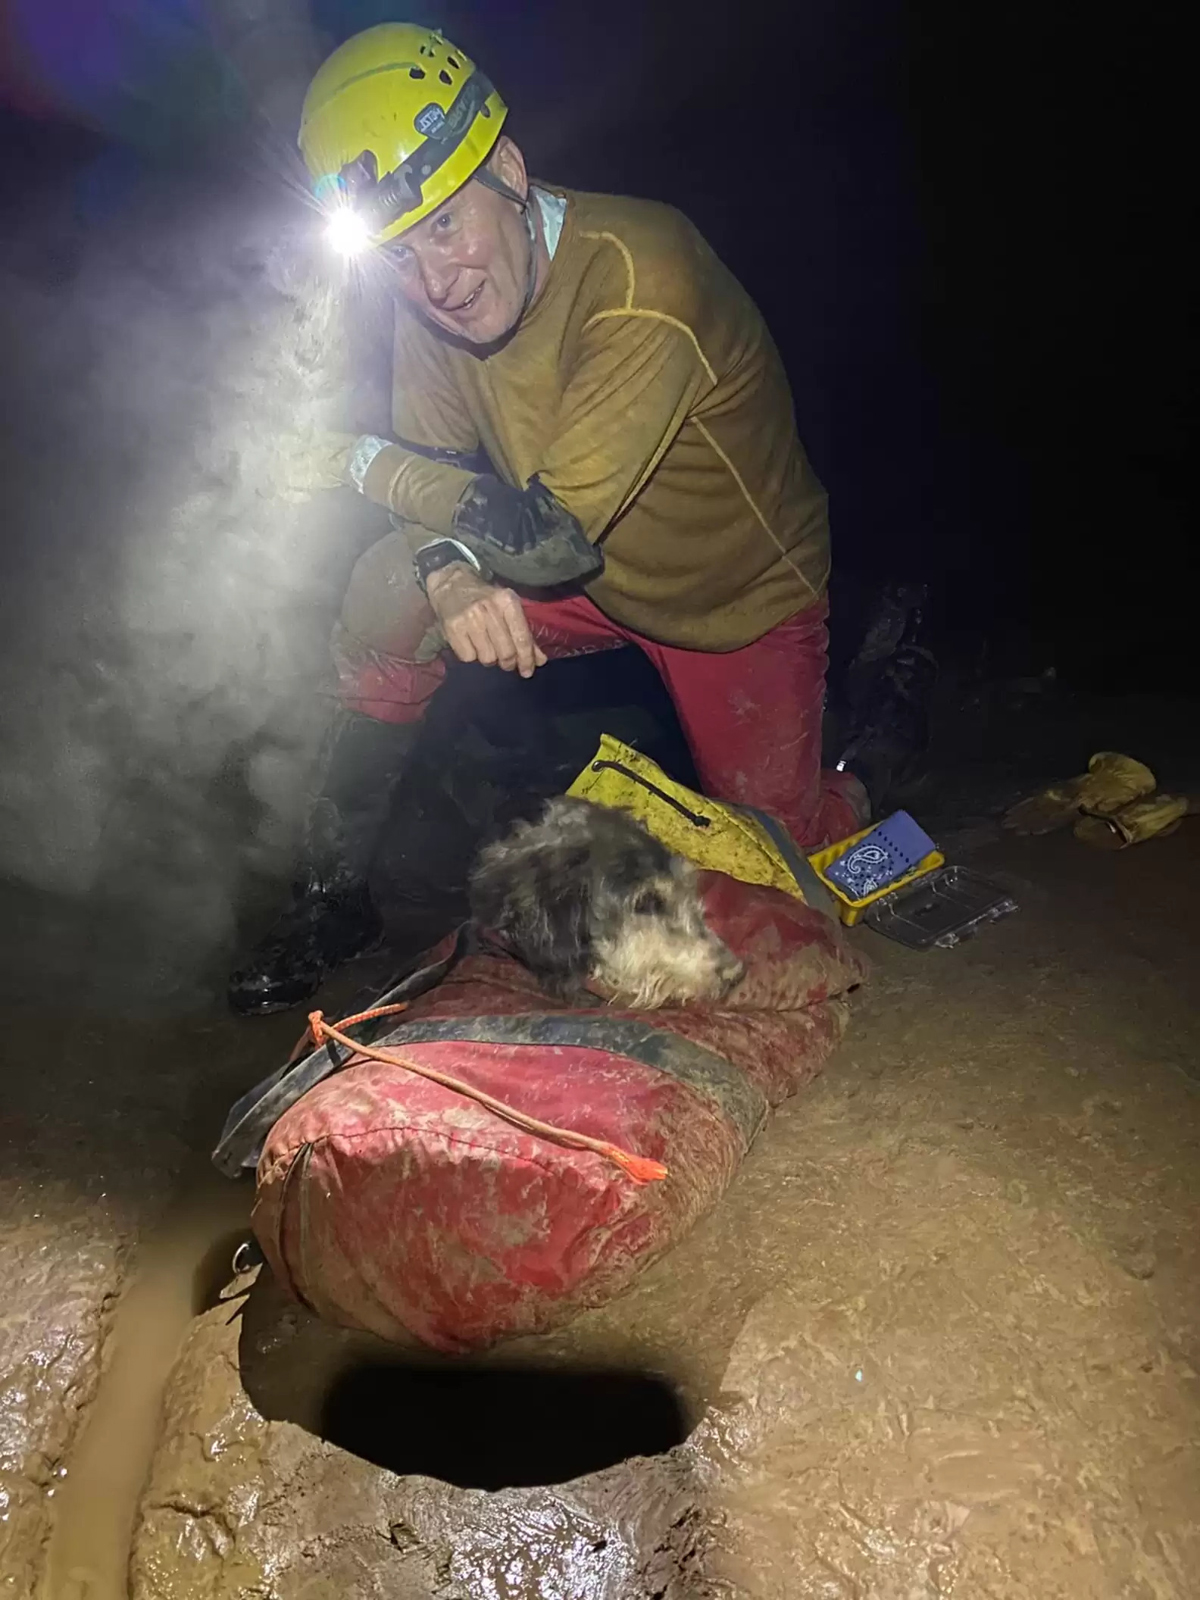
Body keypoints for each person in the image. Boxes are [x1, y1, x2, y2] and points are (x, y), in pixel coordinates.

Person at [229, 21, 877, 1014]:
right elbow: (444, 471)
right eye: (398, 254)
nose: (435, 281)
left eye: (447, 225)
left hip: (731, 597)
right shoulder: (432, 300)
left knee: (777, 887)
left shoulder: (646, 276)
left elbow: (543, 540)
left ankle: (859, 775)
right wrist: (448, 574)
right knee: (385, 589)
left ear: (511, 171)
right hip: (584, 579)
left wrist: (358, 462)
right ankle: (330, 899)